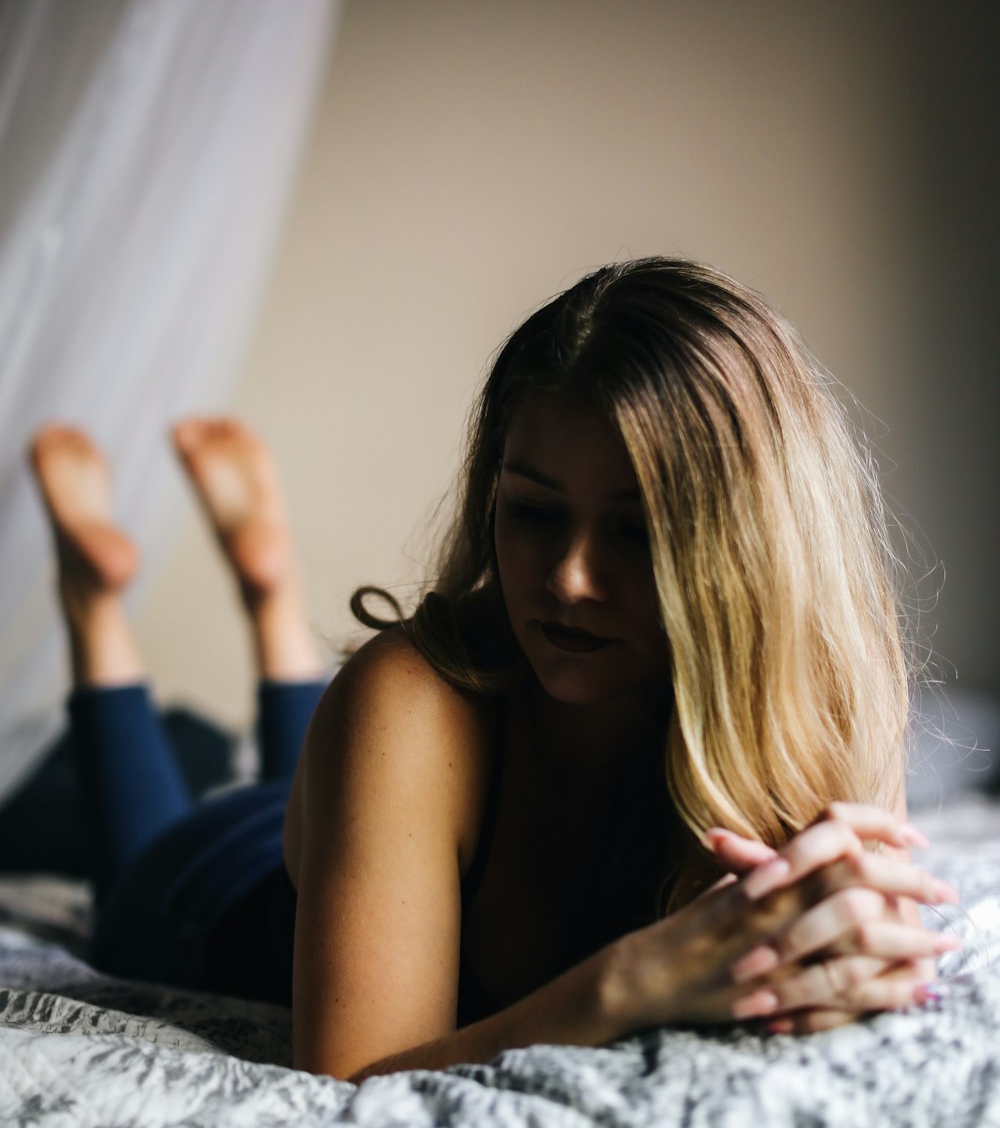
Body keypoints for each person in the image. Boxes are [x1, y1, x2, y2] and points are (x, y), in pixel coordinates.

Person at [29, 257, 960, 1084]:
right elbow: (349, 1073)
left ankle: (271, 597)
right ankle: (96, 602)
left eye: (639, 533)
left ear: (752, 548)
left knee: (311, 776)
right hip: (210, 888)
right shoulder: (412, 697)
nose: (568, 578)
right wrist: (632, 980)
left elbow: (848, 953)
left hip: (367, 825)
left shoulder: (828, 690)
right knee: (142, 858)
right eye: (533, 513)